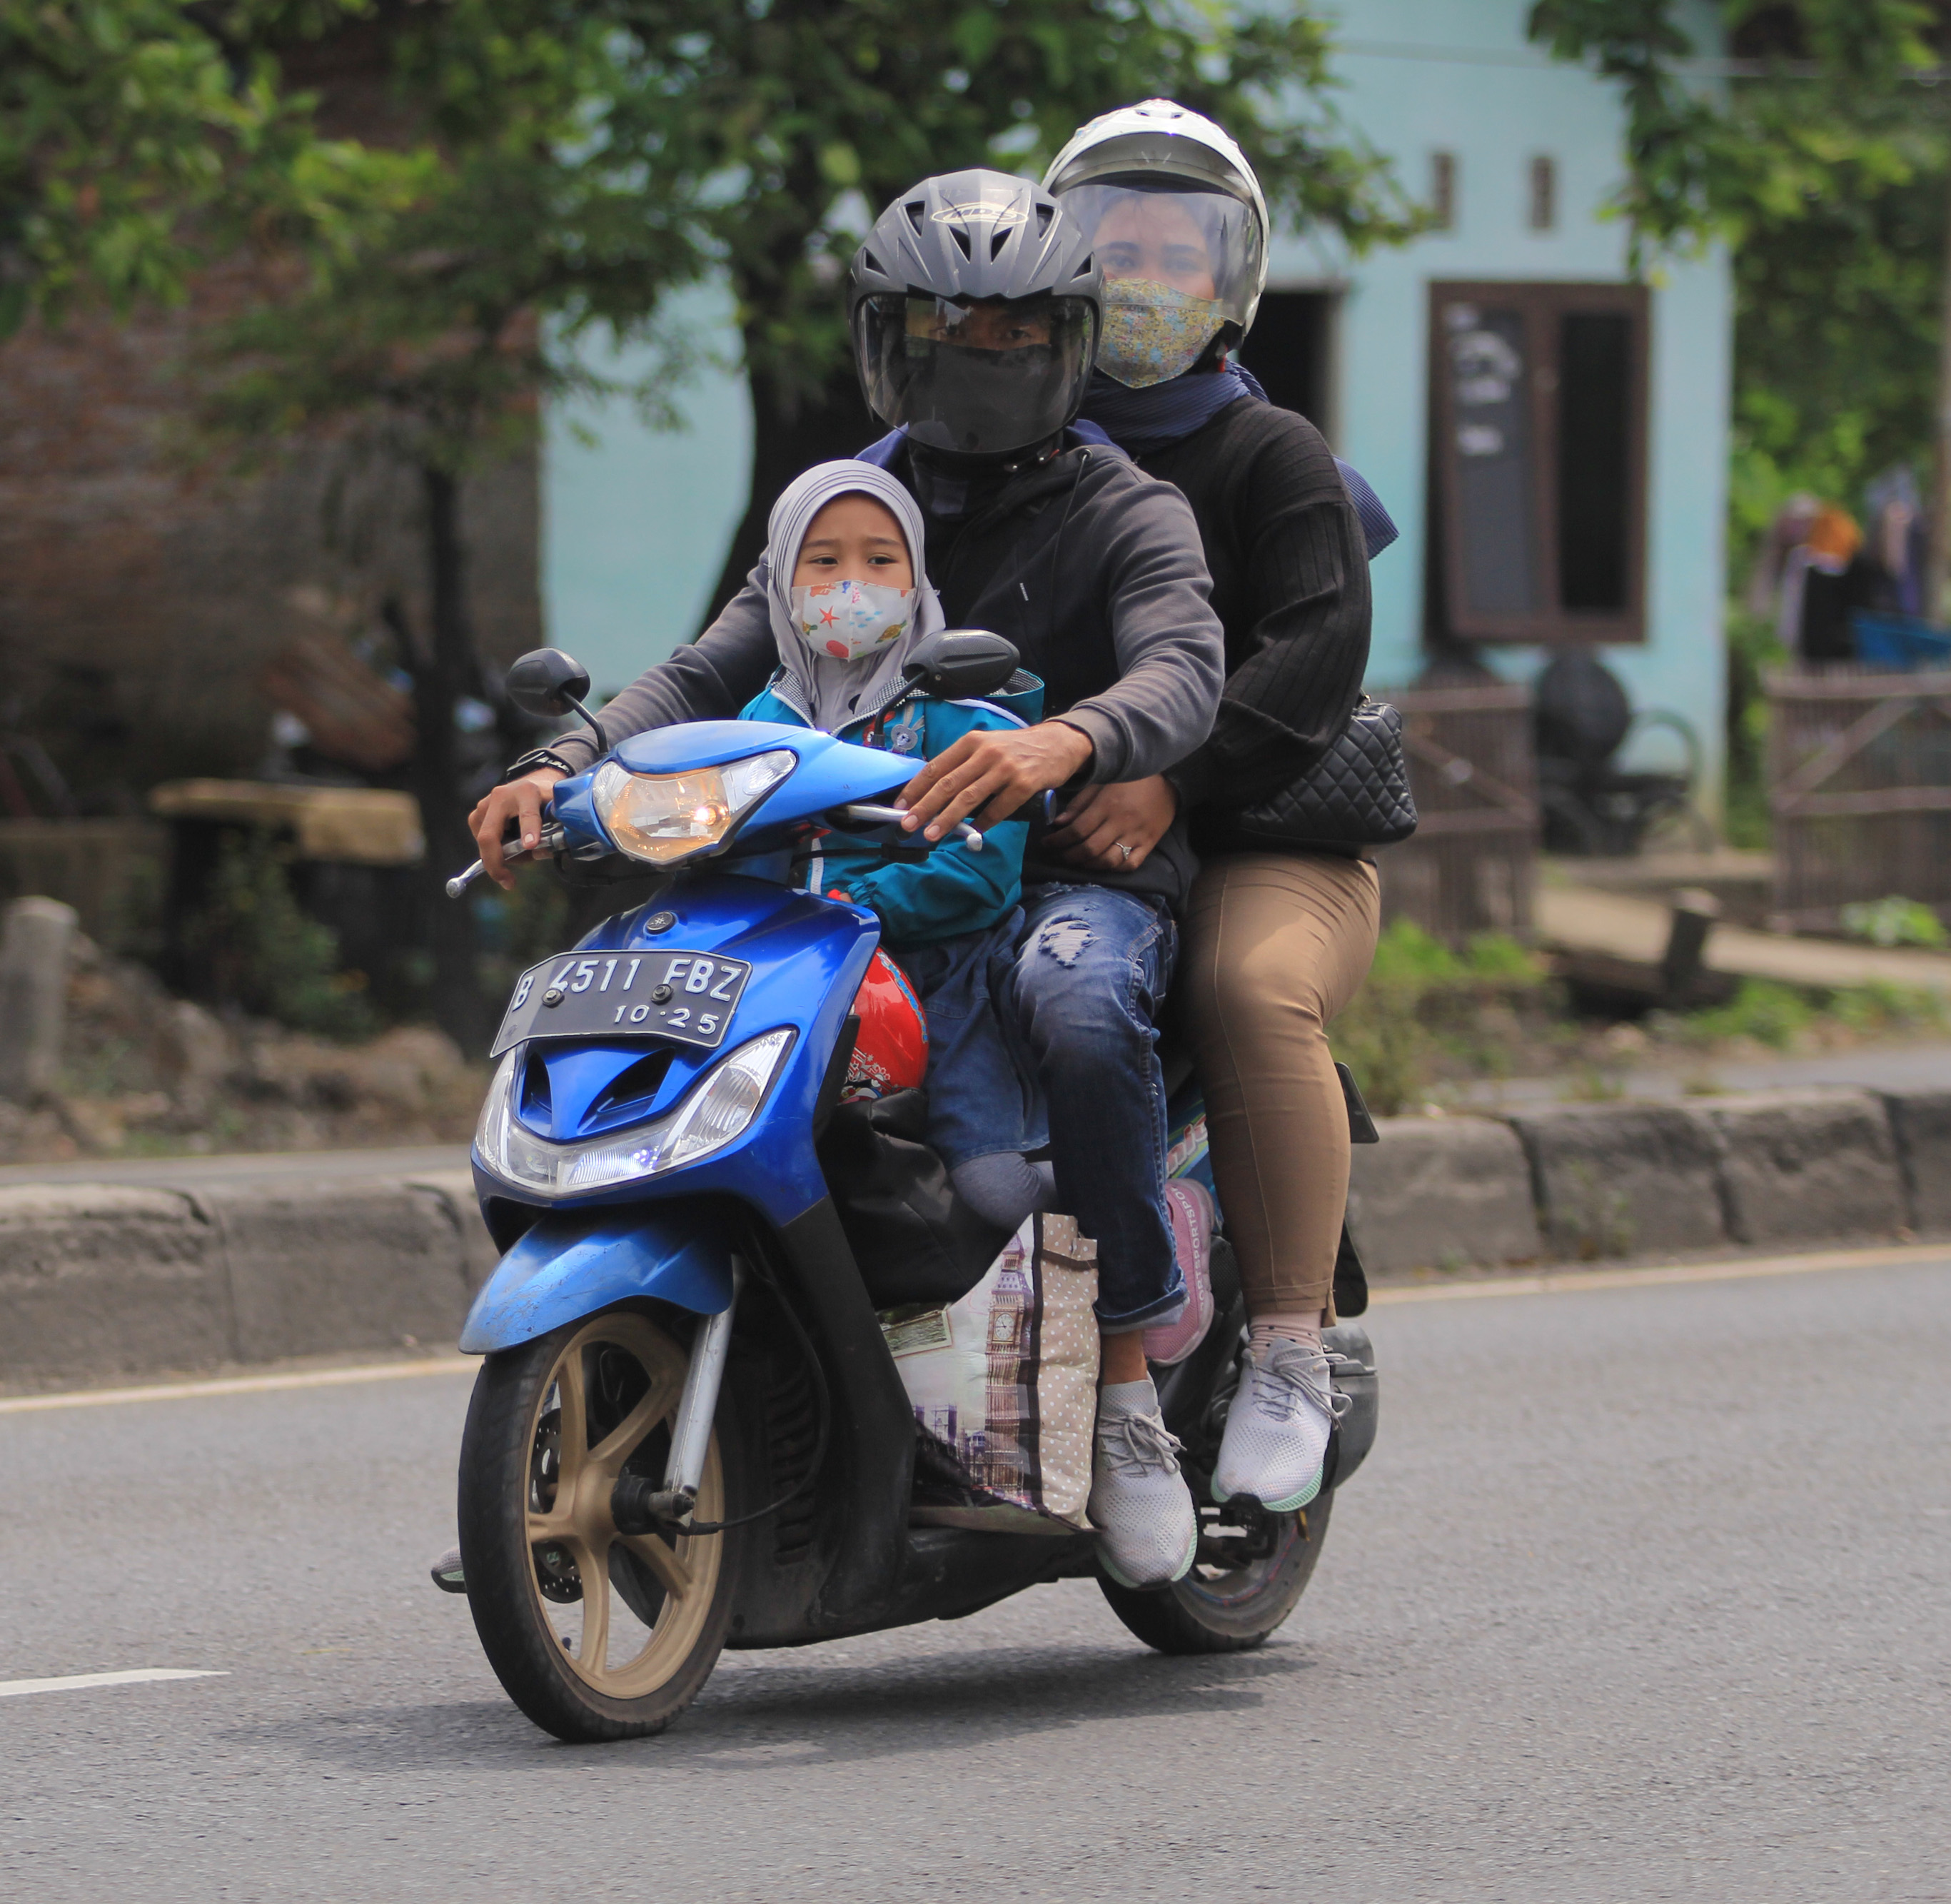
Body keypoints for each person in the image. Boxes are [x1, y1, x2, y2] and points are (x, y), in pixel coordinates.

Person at [472, 169, 1224, 1586]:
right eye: (945, 335)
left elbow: (1184, 665)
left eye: (1012, 338)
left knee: (1070, 1008)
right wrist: (563, 759)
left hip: (1066, 877)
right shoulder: (848, 504)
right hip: (855, 878)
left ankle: (1123, 1387)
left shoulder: (1132, 511)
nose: (978, 365)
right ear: (891, 341)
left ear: (1067, 344)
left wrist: (1069, 738)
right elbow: (706, 668)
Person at [1037, 99, 1388, 1513]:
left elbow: (1311, 664)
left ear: (1227, 279)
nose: (1139, 275)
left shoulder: (1271, 457)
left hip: (1258, 834)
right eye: (1109, 242)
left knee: (1245, 990)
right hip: (1048, 824)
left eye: (1173, 250)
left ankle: (1290, 1346)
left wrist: (1168, 776)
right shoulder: (1002, 445)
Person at [735, 459, 1047, 1204]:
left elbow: (979, 872)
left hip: (943, 984)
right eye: (822, 561)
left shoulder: (967, 709)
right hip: (793, 994)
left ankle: (1107, 1274)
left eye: (879, 560)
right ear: (780, 577)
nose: (851, 585)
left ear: (915, 578)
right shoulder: (759, 720)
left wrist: (844, 897)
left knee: (990, 1190)